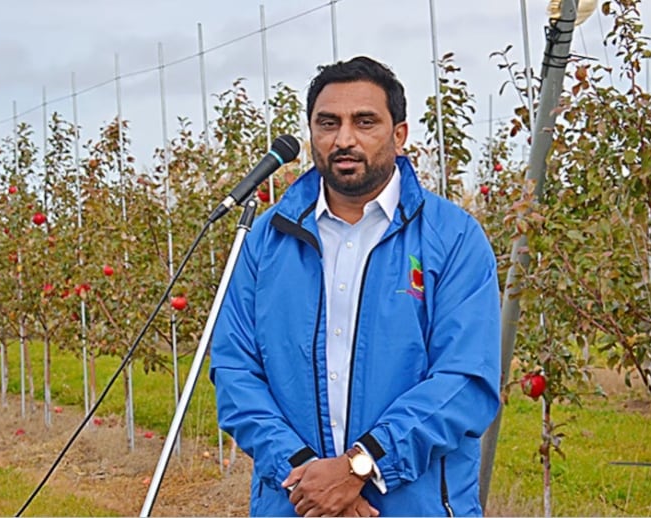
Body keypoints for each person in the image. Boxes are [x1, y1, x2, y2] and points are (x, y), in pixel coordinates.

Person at [210, 55, 501, 517]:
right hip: (296, 503)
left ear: (399, 135)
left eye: (365, 122)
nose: (344, 138)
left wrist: (360, 467)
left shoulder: (453, 238)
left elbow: (465, 380)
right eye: (328, 123)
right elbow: (235, 371)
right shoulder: (266, 241)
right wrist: (307, 478)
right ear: (311, 135)